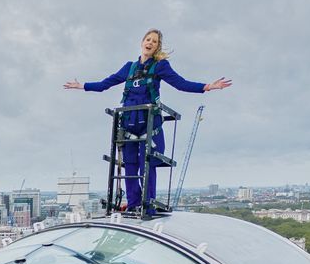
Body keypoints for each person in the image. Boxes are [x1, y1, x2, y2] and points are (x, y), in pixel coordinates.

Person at [65, 29, 231, 213]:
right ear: (142, 42)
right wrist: (83, 86)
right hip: (129, 123)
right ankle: (134, 203)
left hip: (149, 124)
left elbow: (180, 83)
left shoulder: (160, 66)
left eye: (155, 42)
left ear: (157, 47)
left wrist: (207, 87)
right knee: (130, 165)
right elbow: (107, 83)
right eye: (148, 39)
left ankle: (147, 203)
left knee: (148, 162)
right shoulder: (129, 67)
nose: (150, 43)